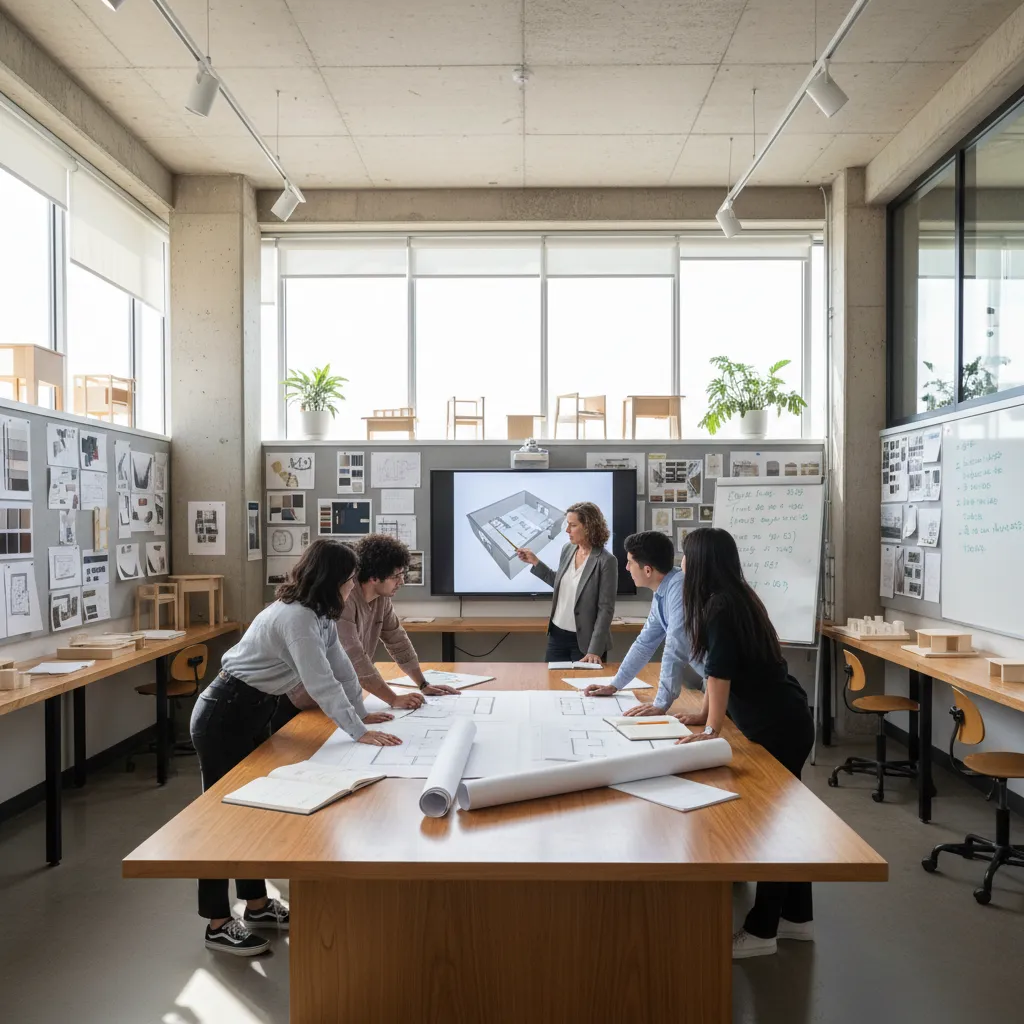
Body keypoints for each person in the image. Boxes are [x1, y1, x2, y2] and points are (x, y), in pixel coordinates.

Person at [190, 539, 401, 957]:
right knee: (224, 817)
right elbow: (320, 680)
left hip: (252, 709)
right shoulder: (297, 619)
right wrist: (357, 731)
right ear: (334, 580)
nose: (352, 587)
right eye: (349, 580)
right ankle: (216, 922)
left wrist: (361, 715)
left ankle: (257, 905)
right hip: (224, 713)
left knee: (252, 809)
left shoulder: (319, 614)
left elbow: (340, 665)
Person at [672, 528, 815, 960]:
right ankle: (798, 919)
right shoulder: (736, 596)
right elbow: (723, 672)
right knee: (784, 821)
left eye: (685, 556)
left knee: (774, 829)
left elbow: (719, 673)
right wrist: (704, 716)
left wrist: (711, 727)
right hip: (785, 717)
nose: (681, 563)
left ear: (699, 563)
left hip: (779, 725)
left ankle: (763, 929)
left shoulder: (719, 606)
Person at [275, 534, 458, 729]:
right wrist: (393, 699)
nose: (401, 581)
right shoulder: (343, 600)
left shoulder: (382, 599)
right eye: (396, 576)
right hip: (301, 699)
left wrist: (423, 684)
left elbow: (397, 639)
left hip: (335, 699)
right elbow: (354, 657)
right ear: (374, 577)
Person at [583, 530, 695, 714]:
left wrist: (660, 704)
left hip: (731, 680)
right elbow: (644, 643)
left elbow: (674, 648)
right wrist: (615, 685)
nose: (626, 568)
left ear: (648, 570)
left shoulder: (678, 589)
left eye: (630, 562)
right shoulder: (664, 589)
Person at [517, 502, 618, 664]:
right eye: (567, 524)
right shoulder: (567, 549)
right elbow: (560, 583)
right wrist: (535, 561)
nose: (567, 530)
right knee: (553, 688)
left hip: (586, 643)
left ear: (588, 527)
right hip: (557, 636)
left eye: (573, 525)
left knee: (583, 689)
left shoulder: (606, 561)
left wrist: (595, 649)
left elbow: (606, 609)